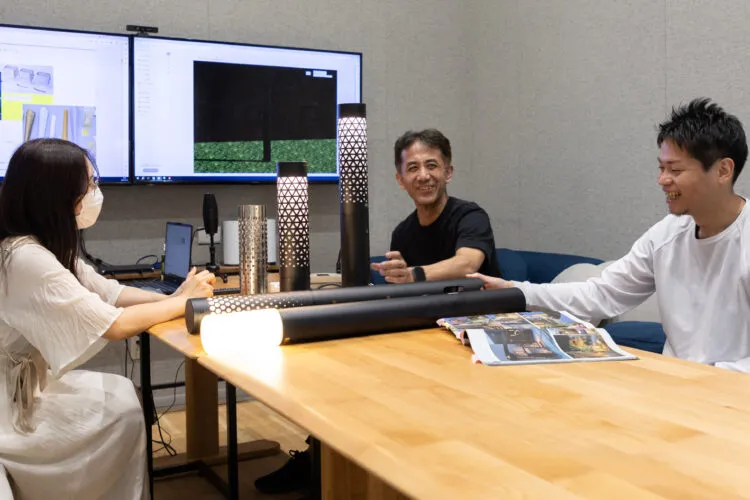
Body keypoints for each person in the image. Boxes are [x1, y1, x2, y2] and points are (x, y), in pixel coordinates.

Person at [0, 139, 215, 499]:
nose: (95, 193)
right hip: (10, 408)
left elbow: (109, 292)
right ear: (58, 195)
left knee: (123, 395)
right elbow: (114, 325)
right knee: (122, 409)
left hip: (23, 390)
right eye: (90, 184)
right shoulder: (25, 258)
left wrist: (174, 298)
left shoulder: (38, 246)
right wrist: (182, 303)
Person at [471, 98, 750, 369]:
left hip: (731, 390)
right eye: (661, 167)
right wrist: (516, 290)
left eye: (675, 169)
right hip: (677, 383)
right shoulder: (666, 234)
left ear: (723, 171)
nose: (662, 180)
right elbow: (601, 293)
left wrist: (708, 379)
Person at [371, 128, 501, 283]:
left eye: (431, 165)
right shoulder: (401, 233)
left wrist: (413, 275)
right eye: (413, 168)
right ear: (401, 180)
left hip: (480, 300)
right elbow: (400, 290)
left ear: (448, 173)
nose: (423, 176)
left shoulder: (471, 217)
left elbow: (467, 264)